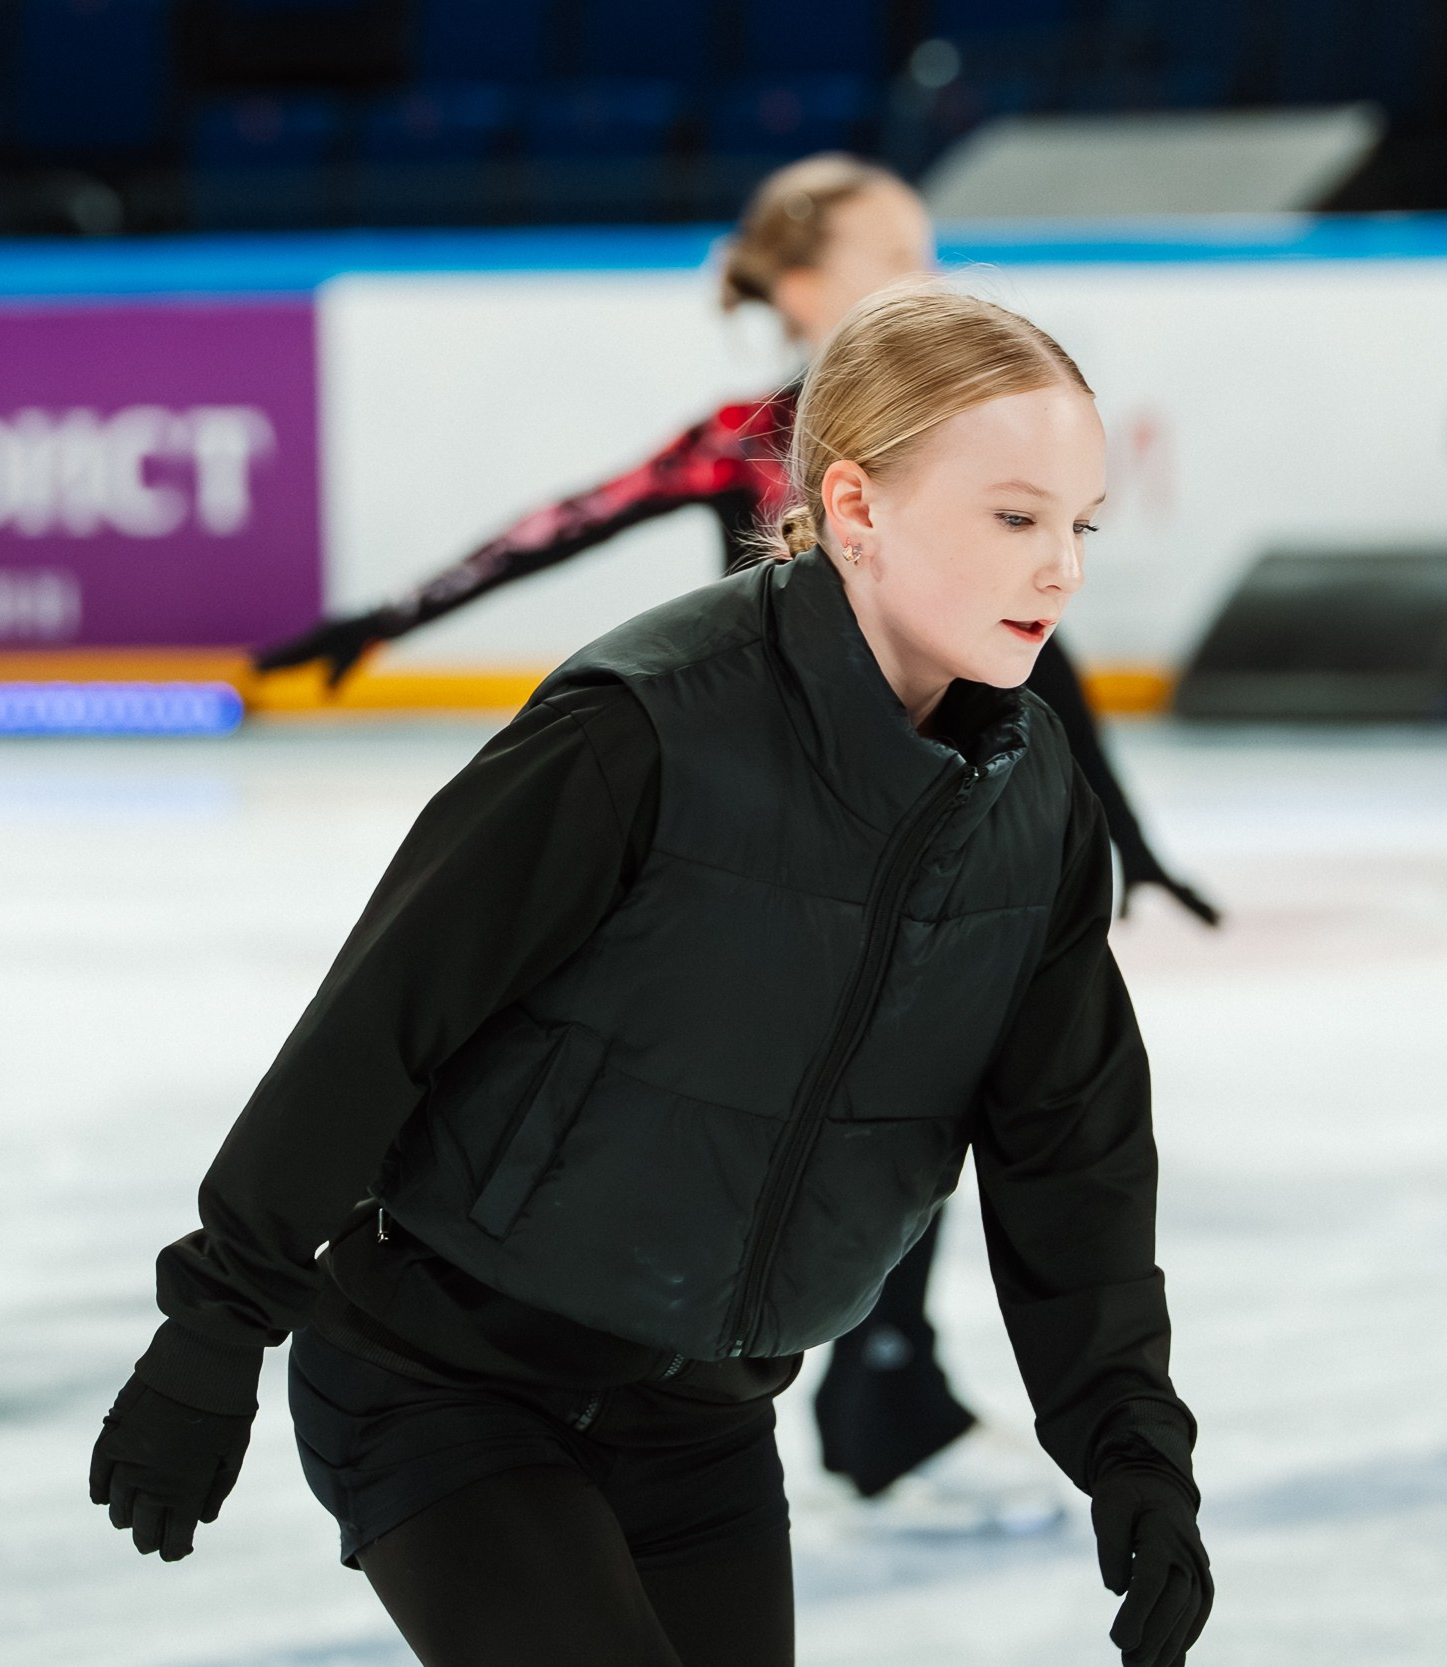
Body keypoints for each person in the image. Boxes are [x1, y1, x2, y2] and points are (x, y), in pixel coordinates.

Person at [90, 287, 1212, 1667]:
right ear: (854, 504)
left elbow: (1069, 1156)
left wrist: (1132, 1449)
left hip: (704, 1421)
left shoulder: (1035, 810)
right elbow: (380, 1024)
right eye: (1015, 517)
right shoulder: (645, 730)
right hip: (446, 1384)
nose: (1062, 572)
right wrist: (216, 1325)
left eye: (1081, 525)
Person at [255, 154, 1217, 927]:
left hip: (919, 814)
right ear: (802, 290)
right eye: (896, 257)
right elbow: (559, 528)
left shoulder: (961, 451)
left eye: (928, 255)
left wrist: (1125, 841)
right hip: (764, 814)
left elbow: (1039, 661)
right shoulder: (743, 441)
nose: (925, 281)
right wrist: (386, 619)